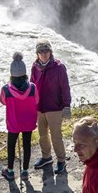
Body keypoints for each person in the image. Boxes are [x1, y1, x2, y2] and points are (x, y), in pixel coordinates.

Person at [30, 41, 72, 175]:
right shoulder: (34, 67)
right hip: (39, 108)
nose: (43, 54)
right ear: (37, 53)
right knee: (42, 135)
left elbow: (65, 87)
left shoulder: (59, 67)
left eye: (46, 51)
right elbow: (31, 86)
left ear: (50, 52)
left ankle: (61, 160)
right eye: (40, 52)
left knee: (56, 136)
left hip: (54, 108)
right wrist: (30, 104)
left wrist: (66, 105)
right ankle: (46, 157)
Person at [0, 53, 39, 181]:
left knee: (11, 146)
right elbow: (36, 101)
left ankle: (10, 171)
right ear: (25, 73)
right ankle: (25, 171)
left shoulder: (6, 89)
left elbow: (3, 101)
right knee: (26, 145)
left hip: (13, 122)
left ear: (11, 74)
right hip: (28, 121)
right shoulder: (32, 87)